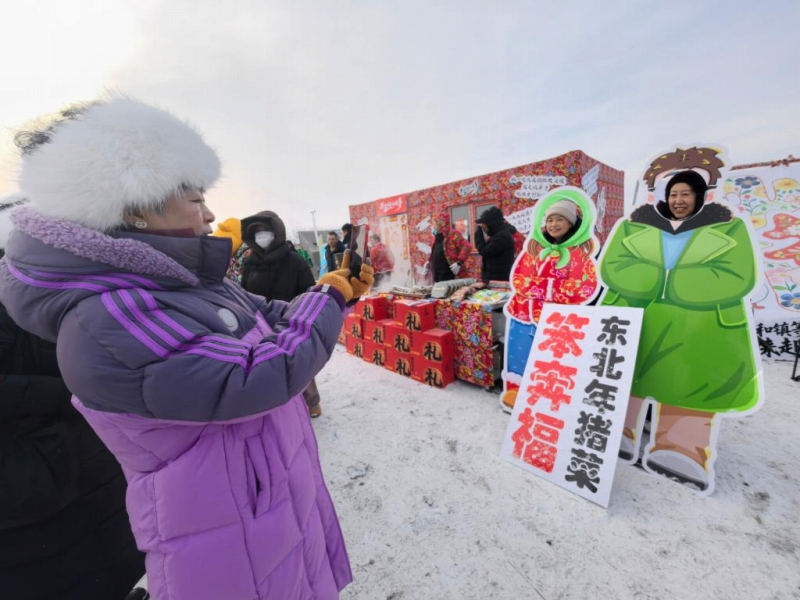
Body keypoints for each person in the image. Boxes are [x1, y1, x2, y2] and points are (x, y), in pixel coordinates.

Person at [0, 95, 373, 600]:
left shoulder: (186, 284)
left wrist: (339, 292)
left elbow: (272, 317)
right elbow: (254, 374)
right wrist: (328, 297)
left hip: (264, 504)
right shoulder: (110, 312)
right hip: (225, 530)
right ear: (134, 208)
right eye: (196, 199)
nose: (211, 212)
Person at [0, 198, 146, 600]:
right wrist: (72, 391)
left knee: (108, 541)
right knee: (54, 562)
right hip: (27, 470)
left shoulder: (60, 285)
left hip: (84, 448)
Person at [600, 169, 759, 492]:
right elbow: (613, 265)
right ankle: (619, 432)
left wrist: (669, 279)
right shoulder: (636, 225)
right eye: (673, 194)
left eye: (685, 194)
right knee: (625, 376)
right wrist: (664, 277)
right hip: (636, 318)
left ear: (700, 196)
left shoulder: (728, 227)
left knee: (691, 384)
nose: (678, 200)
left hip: (697, 325)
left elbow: (737, 274)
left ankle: (681, 448)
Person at [501, 195, 599, 412]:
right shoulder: (535, 248)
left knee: (553, 361)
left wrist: (543, 289)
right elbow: (519, 279)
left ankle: (550, 397)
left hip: (558, 321)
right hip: (522, 315)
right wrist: (551, 287)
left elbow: (584, 287)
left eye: (560, 219)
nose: (554, 225)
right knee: (520, 355)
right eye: (550, 219)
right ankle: (516, 392)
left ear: (571, 223)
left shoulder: (579, 253)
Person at [236, 211, 323, 418]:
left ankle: (312, 401)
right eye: (256, 233)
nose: (261, 236)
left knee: (299, 364)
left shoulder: (295, 261)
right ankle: (279, 407)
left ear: (276, 232)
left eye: (265, 231)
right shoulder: (250, 263)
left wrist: (301, 317)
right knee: (265, 365)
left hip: (290, 320)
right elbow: (244, 291)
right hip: (260, 322)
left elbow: (308, 293)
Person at [474, 206, 515, 284]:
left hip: (498, 280)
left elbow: (485, 251)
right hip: (496, 278)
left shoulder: (501, 236)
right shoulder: (499, 234)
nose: (482, 226)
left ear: (491, 223)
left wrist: (478, 233)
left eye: (483, 223)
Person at [430, 211, 471, 283]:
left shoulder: (453, 234)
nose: (433, 226)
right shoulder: (436, 237)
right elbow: (435, 252)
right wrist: (429, 262)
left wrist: (459, 262)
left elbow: (467, 246)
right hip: (438, 277)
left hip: (451, 276)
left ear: (440, 224)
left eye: (434, 223)